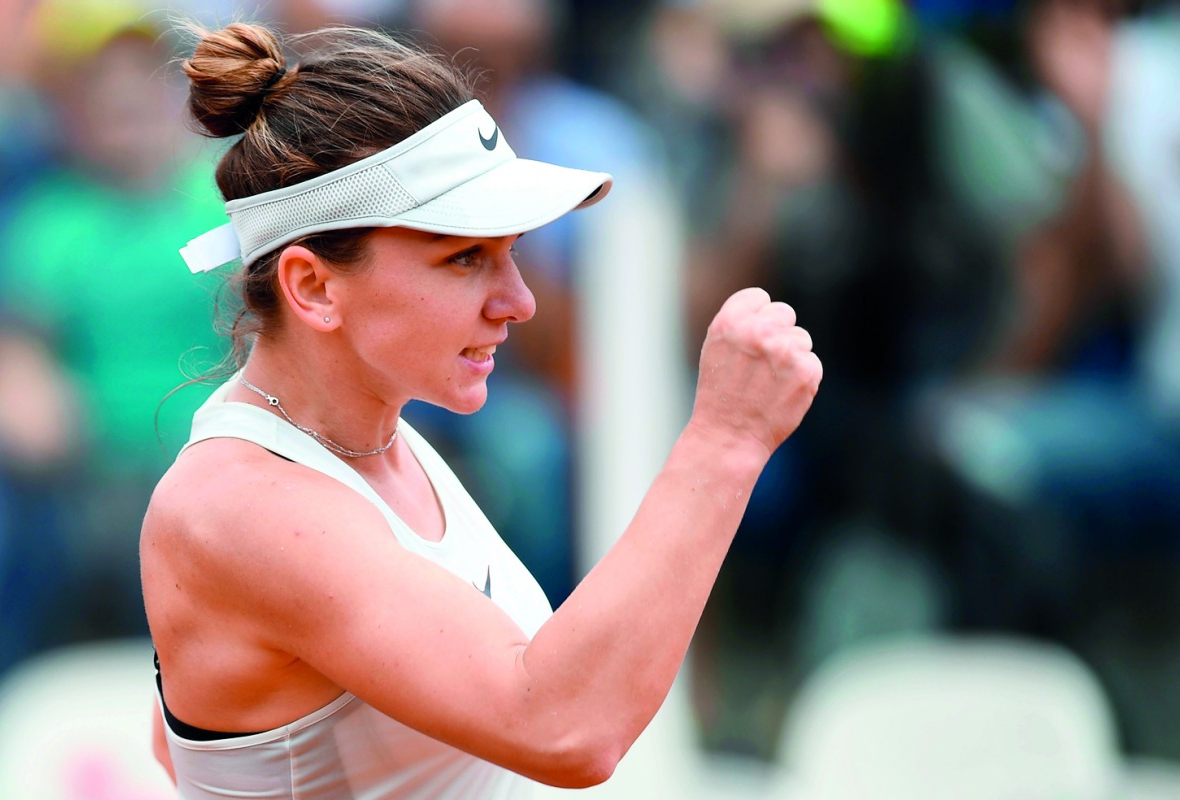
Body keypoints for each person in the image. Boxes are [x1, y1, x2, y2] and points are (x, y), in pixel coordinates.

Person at [140, 21, 821, 798]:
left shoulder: (368, 441)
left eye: (512, 251)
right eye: (465, 257)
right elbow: (563, 729)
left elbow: (179, 743)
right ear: (314, 288)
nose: (520, 302)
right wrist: (726, 443)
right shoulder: (239, 506)